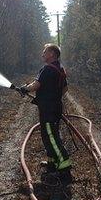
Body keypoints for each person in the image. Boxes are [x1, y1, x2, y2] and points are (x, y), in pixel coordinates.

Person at [20, 43, 72, 182]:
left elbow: (36, 85)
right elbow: (65, 89)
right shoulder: (59, 68)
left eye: (45, 52)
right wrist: (53, 97)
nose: (42, 54)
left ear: (52, 54)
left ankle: (64, 170)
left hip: (48, 111)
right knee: (50, 137)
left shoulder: (47, 69)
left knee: (51, 138)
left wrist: (25, 88)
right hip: (55, 108)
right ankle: (52, 164)